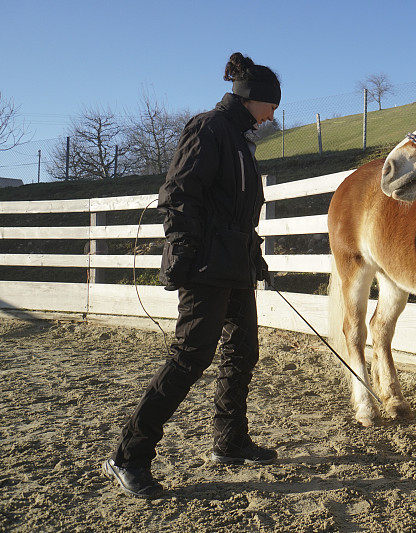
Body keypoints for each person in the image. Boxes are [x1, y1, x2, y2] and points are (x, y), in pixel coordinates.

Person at [102, 52, 280, 498]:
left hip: (234, 262)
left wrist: (252, 254)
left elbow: (236, 208)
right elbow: (180, 193)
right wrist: (181, 250)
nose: (272, 116)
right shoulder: (208, 128)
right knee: (190, 357)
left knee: (243, 350)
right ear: (253, 99)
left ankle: (230, 440)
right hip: (205, 265)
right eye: (271, 107)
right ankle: (129, 456)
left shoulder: (240, 139)